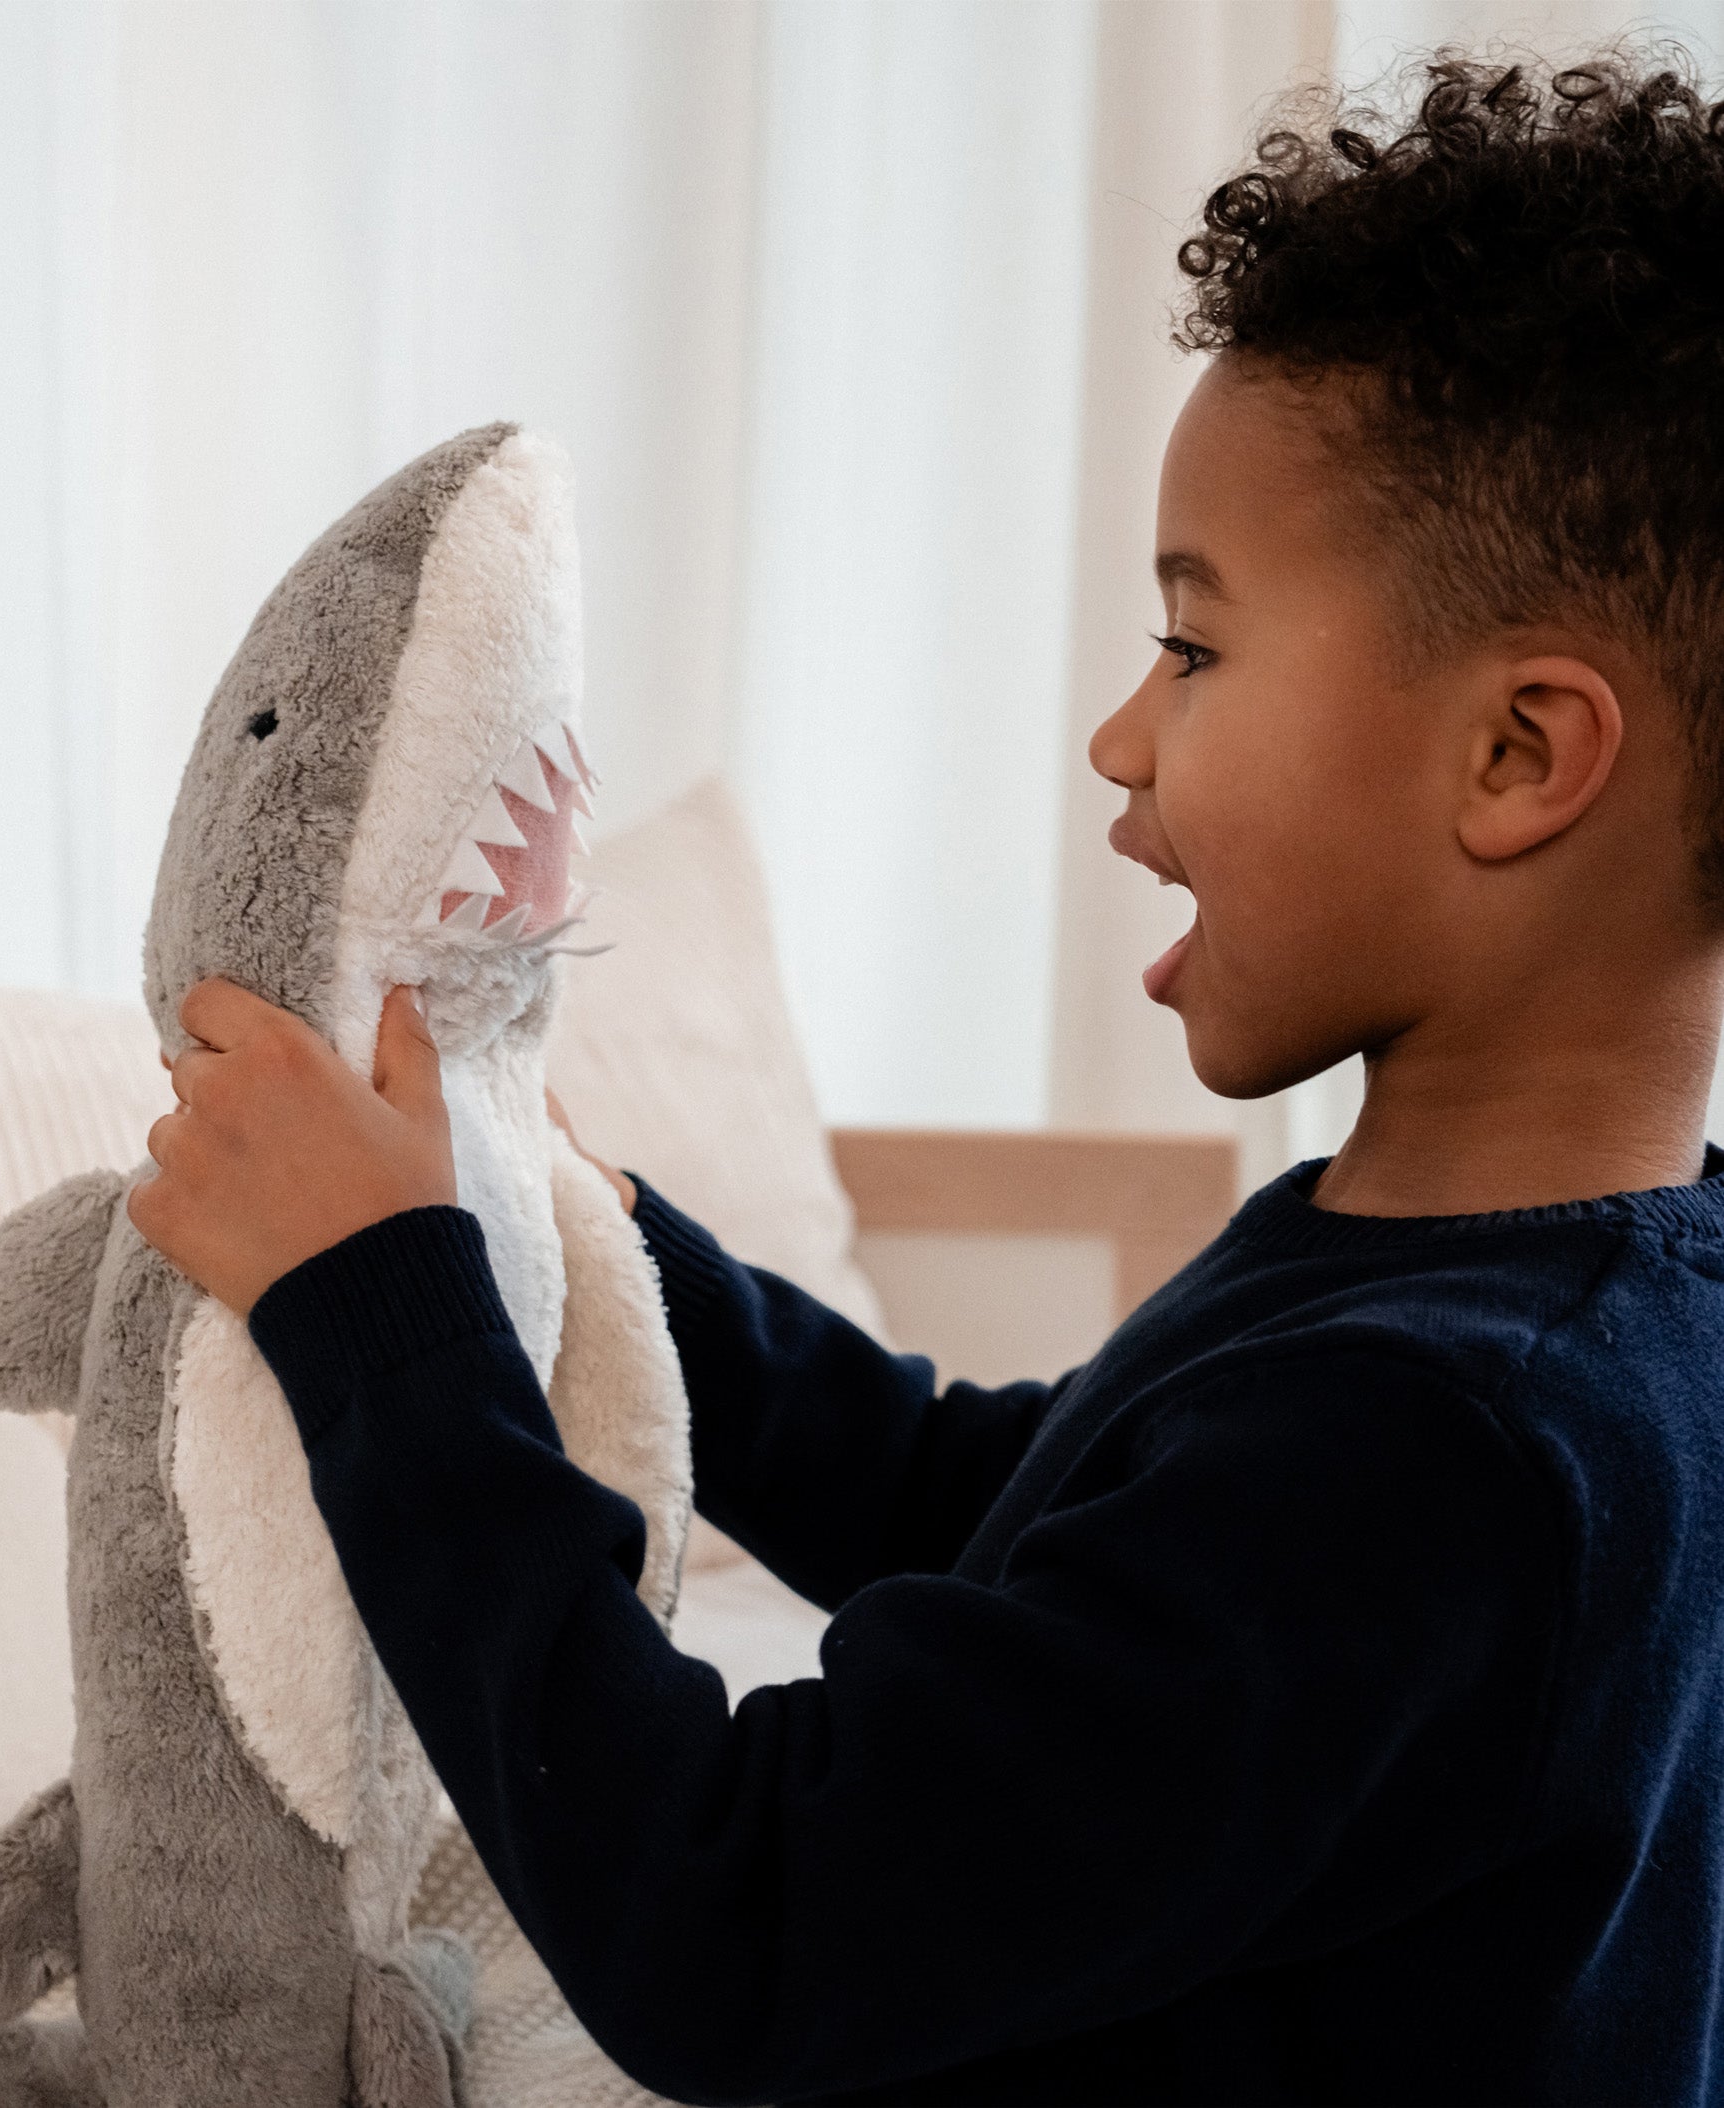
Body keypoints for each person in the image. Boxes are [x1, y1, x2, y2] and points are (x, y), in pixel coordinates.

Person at [129, 49, 1724, 2106]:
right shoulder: (1518, 1312)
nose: (1122, 743)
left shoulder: (1445, 1455)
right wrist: (628, 1247)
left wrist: (383, 1319)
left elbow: (743, 1914)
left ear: (1517, 756)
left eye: (1199, 648)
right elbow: (1001, 1506)